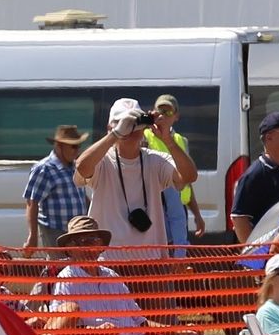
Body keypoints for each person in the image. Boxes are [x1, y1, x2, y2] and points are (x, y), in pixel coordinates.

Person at [74, 97, 194, 258]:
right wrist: (116, 134)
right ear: (110, 127)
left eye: (134, 122)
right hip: (108, 261)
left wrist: (168, 140)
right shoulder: (102, 161)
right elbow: (82, 167)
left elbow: (188, 176)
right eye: (123, 122)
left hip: (149, 261)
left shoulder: (156, 161)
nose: (129, 128)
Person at [47, 216, 152, 330]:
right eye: (83, 242)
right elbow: (60, 328)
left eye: (94, 241)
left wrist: (167, 331)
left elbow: (140, 321)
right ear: (69, 248)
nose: (89, 248)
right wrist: (95, 331)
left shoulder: (112, 276)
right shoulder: (66, 280)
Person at [229, 112, 279, 241]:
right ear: (269, 138)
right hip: (270, 249)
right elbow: (240, 218)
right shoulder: (255, 175)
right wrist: (254, 251)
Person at [142, 94, 204, 242]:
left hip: (179, 209)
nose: (163, 115)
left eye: (168, 111)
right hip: (157, 208)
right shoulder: (144, 136)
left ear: (176, 116)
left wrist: (197, 214)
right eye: (160, 110)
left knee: (179, 250)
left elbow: (187, 180)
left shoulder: (181, 140)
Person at [23, 124, 90, 248]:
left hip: (78, 233)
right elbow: (32, 203)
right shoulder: (44, 169)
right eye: (73, 146)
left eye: (78, 146)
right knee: (59, 261)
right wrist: (32, 236)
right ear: (59, 146)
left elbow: (80, 196)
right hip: (55, 232)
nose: (77, 151)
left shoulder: (75, 167)